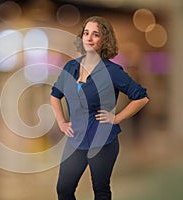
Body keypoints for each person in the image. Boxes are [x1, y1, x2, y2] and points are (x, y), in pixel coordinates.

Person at [50, 16, 149, 200]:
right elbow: (55, 94)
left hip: (102, 141)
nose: (88, 38)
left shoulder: (112, 71)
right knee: (64, 189)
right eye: (86, 33)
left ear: (104, 40)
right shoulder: (71, 67)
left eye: (95, 35)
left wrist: (117, 118)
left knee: (101, 191)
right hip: (75, 141)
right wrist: (62, 122)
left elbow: (141, 97)